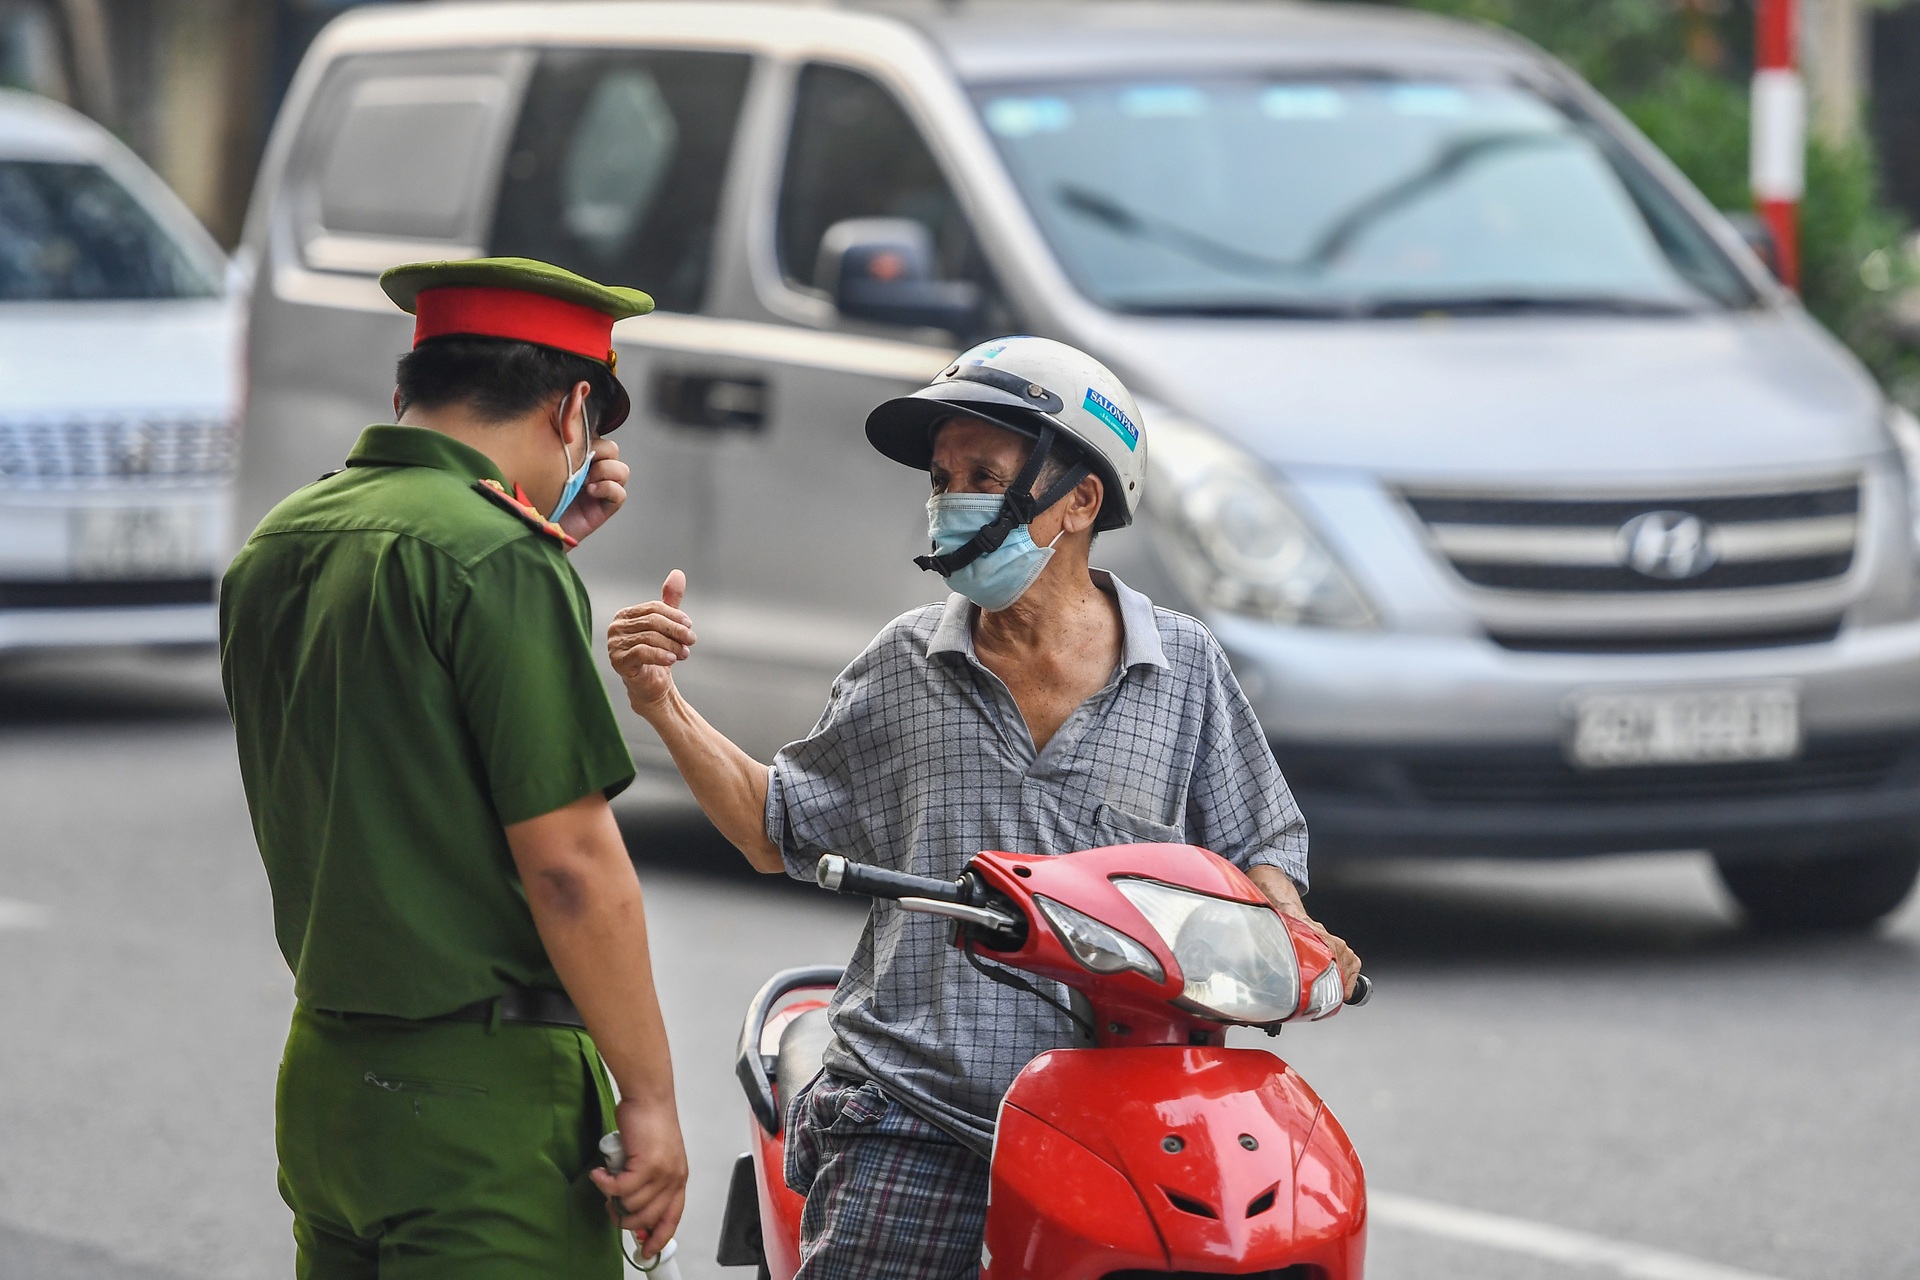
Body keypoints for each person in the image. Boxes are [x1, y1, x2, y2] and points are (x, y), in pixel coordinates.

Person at [606, 335, 1361, 1279]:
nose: (949, 496)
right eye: (942, 475)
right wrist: (661, 705)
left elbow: (1261, 844)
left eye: (984, 474)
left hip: (1130, 1127)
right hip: (915, 1112)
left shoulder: (1186, 669)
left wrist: (1290, 930)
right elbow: (775, 828)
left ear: (1080, 500)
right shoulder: (903, 665)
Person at [220, 257, 686, 1279]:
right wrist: (648, 1098)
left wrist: (537, 547)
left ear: (406, 396)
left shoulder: (276, 544)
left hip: (332, 1082)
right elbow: (568, 864)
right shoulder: (497, 561)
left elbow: (396, 734)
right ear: (573, 411)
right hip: (484, 1110)